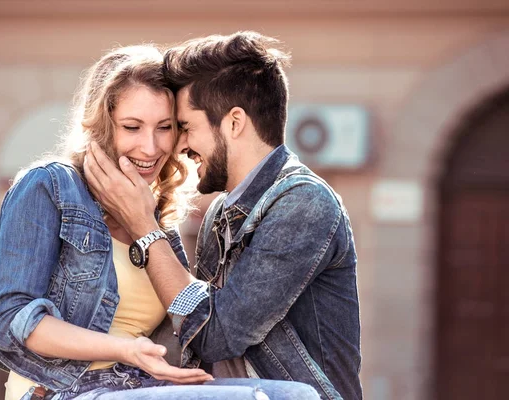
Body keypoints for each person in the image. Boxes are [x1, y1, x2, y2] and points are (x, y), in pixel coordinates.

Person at [0, 44, 320, 400]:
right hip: (65, 389)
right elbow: (7, 321)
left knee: (295, 395)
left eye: (165, 127)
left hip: (141, 386)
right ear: (103, 125)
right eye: (132, 127)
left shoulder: (153, 216)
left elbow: (192, 326)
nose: (150, 147)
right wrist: (125, 350)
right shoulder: (48, 186)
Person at [84, 31, 362, 400]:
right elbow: (189, 336)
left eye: (185, 127)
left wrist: (143, 227)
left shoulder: (304, 203)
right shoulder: (223, 211)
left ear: (233, 123)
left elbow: (215, 335)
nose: (179, 146)